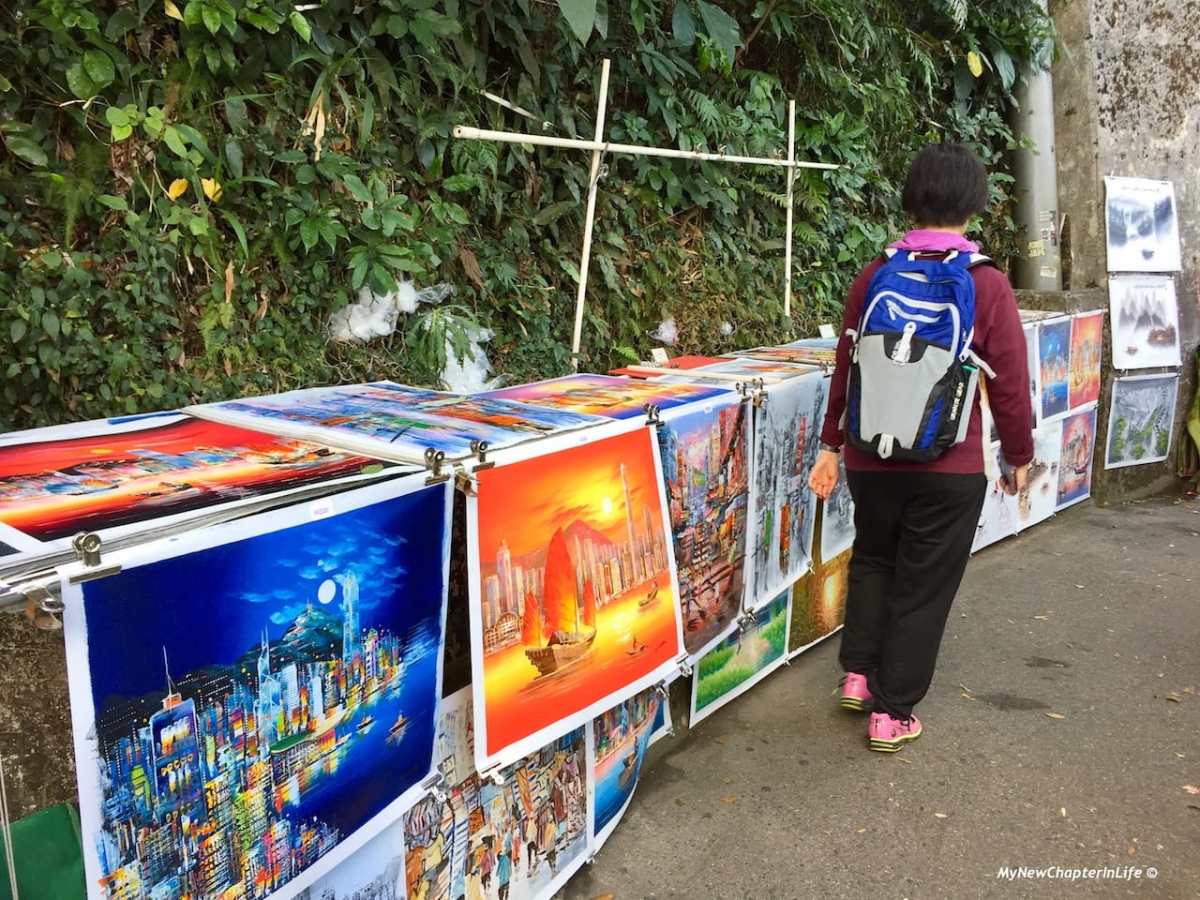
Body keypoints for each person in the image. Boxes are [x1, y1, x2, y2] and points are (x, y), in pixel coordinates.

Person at [809, 142, 1032, 752]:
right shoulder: (986, 284)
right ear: (974, 205)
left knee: (876, 560)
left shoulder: (875, 273)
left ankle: (857, 676)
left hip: (870, 458)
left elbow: (845, 368)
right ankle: (893, 711)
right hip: (948, 466)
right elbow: (1009, 383)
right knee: (923, 585)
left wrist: (831, 445)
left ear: (911, 198)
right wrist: (1017, 456)